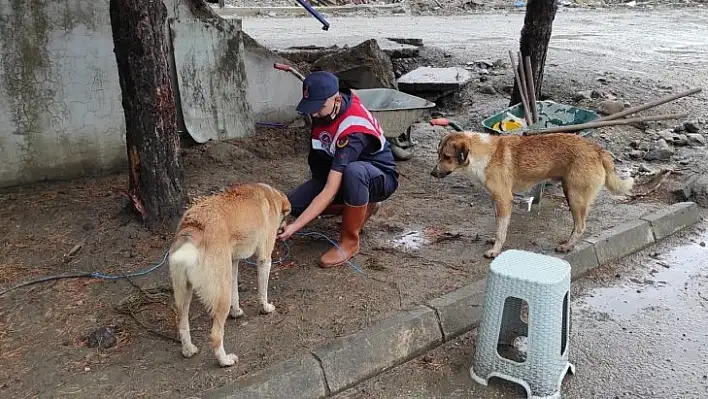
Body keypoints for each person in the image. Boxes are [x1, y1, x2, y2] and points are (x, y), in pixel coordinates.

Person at [277, 71, 399, 268]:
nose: (314, 113)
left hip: (379, 176)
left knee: (355, 172)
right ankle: (360, 207)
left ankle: (349, 241)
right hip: (341, 172)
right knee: (293, 206)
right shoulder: (331, 106)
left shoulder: (352, 132)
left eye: (319, 107)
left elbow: (329, 190)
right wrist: (290, 219)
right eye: (311, 107)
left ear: (336, 99)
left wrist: (294, 228)